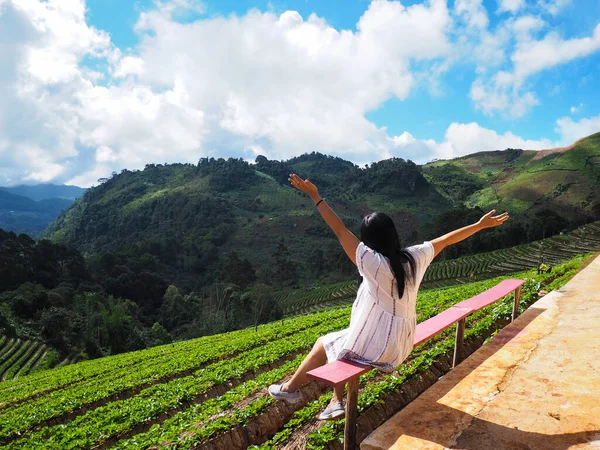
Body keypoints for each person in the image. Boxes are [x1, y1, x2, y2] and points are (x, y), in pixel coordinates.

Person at [268, 173, 509, 420]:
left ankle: (289, 389)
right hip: (401, 345)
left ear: (367, 240)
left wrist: (315, 196)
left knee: (324, 342)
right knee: (344, 341)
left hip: (378, 347)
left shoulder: (372, 263)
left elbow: (340, 230)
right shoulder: (415, 257)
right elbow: (447, 240)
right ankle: (335, 400)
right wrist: (480, 225)